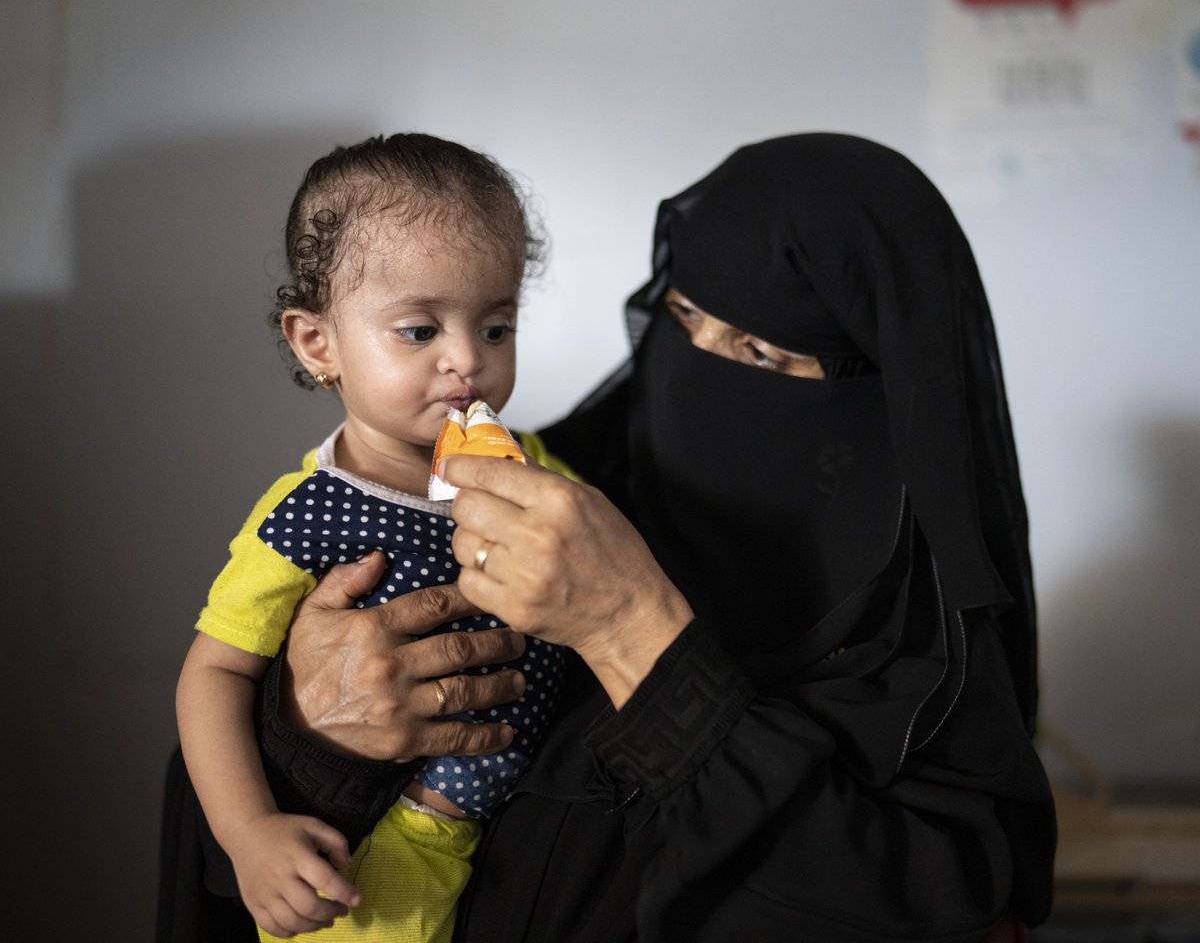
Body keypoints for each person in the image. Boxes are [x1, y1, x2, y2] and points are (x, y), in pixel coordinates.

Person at [163, 132, 1056, 942]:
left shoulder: (920, 662)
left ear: (887, 393)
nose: (698, 363)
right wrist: (313, 731)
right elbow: (228, 801)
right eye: (682, 317)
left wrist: (633, 630)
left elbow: (896, 905)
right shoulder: (543, 487)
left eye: (761, 356)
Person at [173, 133, 571, 943]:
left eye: (497, 327)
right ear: (319, 344)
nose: (468, 361)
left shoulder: (533, 466)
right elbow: (213, 674)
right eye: (419, 331)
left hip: (526, 841)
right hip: (376, 861)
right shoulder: (308, 511)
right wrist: (249, 835)